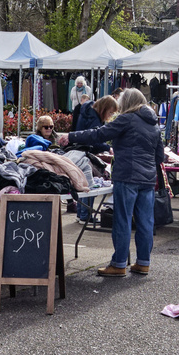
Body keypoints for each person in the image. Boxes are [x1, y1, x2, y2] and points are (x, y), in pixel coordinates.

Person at [58, 88, 164, 277]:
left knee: (122, 220)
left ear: (127, 102)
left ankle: (119, 264)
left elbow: (99, 134)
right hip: (147, 180)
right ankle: (143, 262)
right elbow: (159, 156)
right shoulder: (154, 124)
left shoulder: (127, 119)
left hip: (127, 176)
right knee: (145, 222)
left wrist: (72, 136)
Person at [71, 95, 119, 221]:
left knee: (83, 182)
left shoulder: (87, 111)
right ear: (105, 109)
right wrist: (107, 148)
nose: (110, 116)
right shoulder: (94, 118)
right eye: (110, 112)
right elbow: (94, 138)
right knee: (90, 184)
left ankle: (82, 215)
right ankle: (85, 216)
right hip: (87, 153)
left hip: (79, 151)